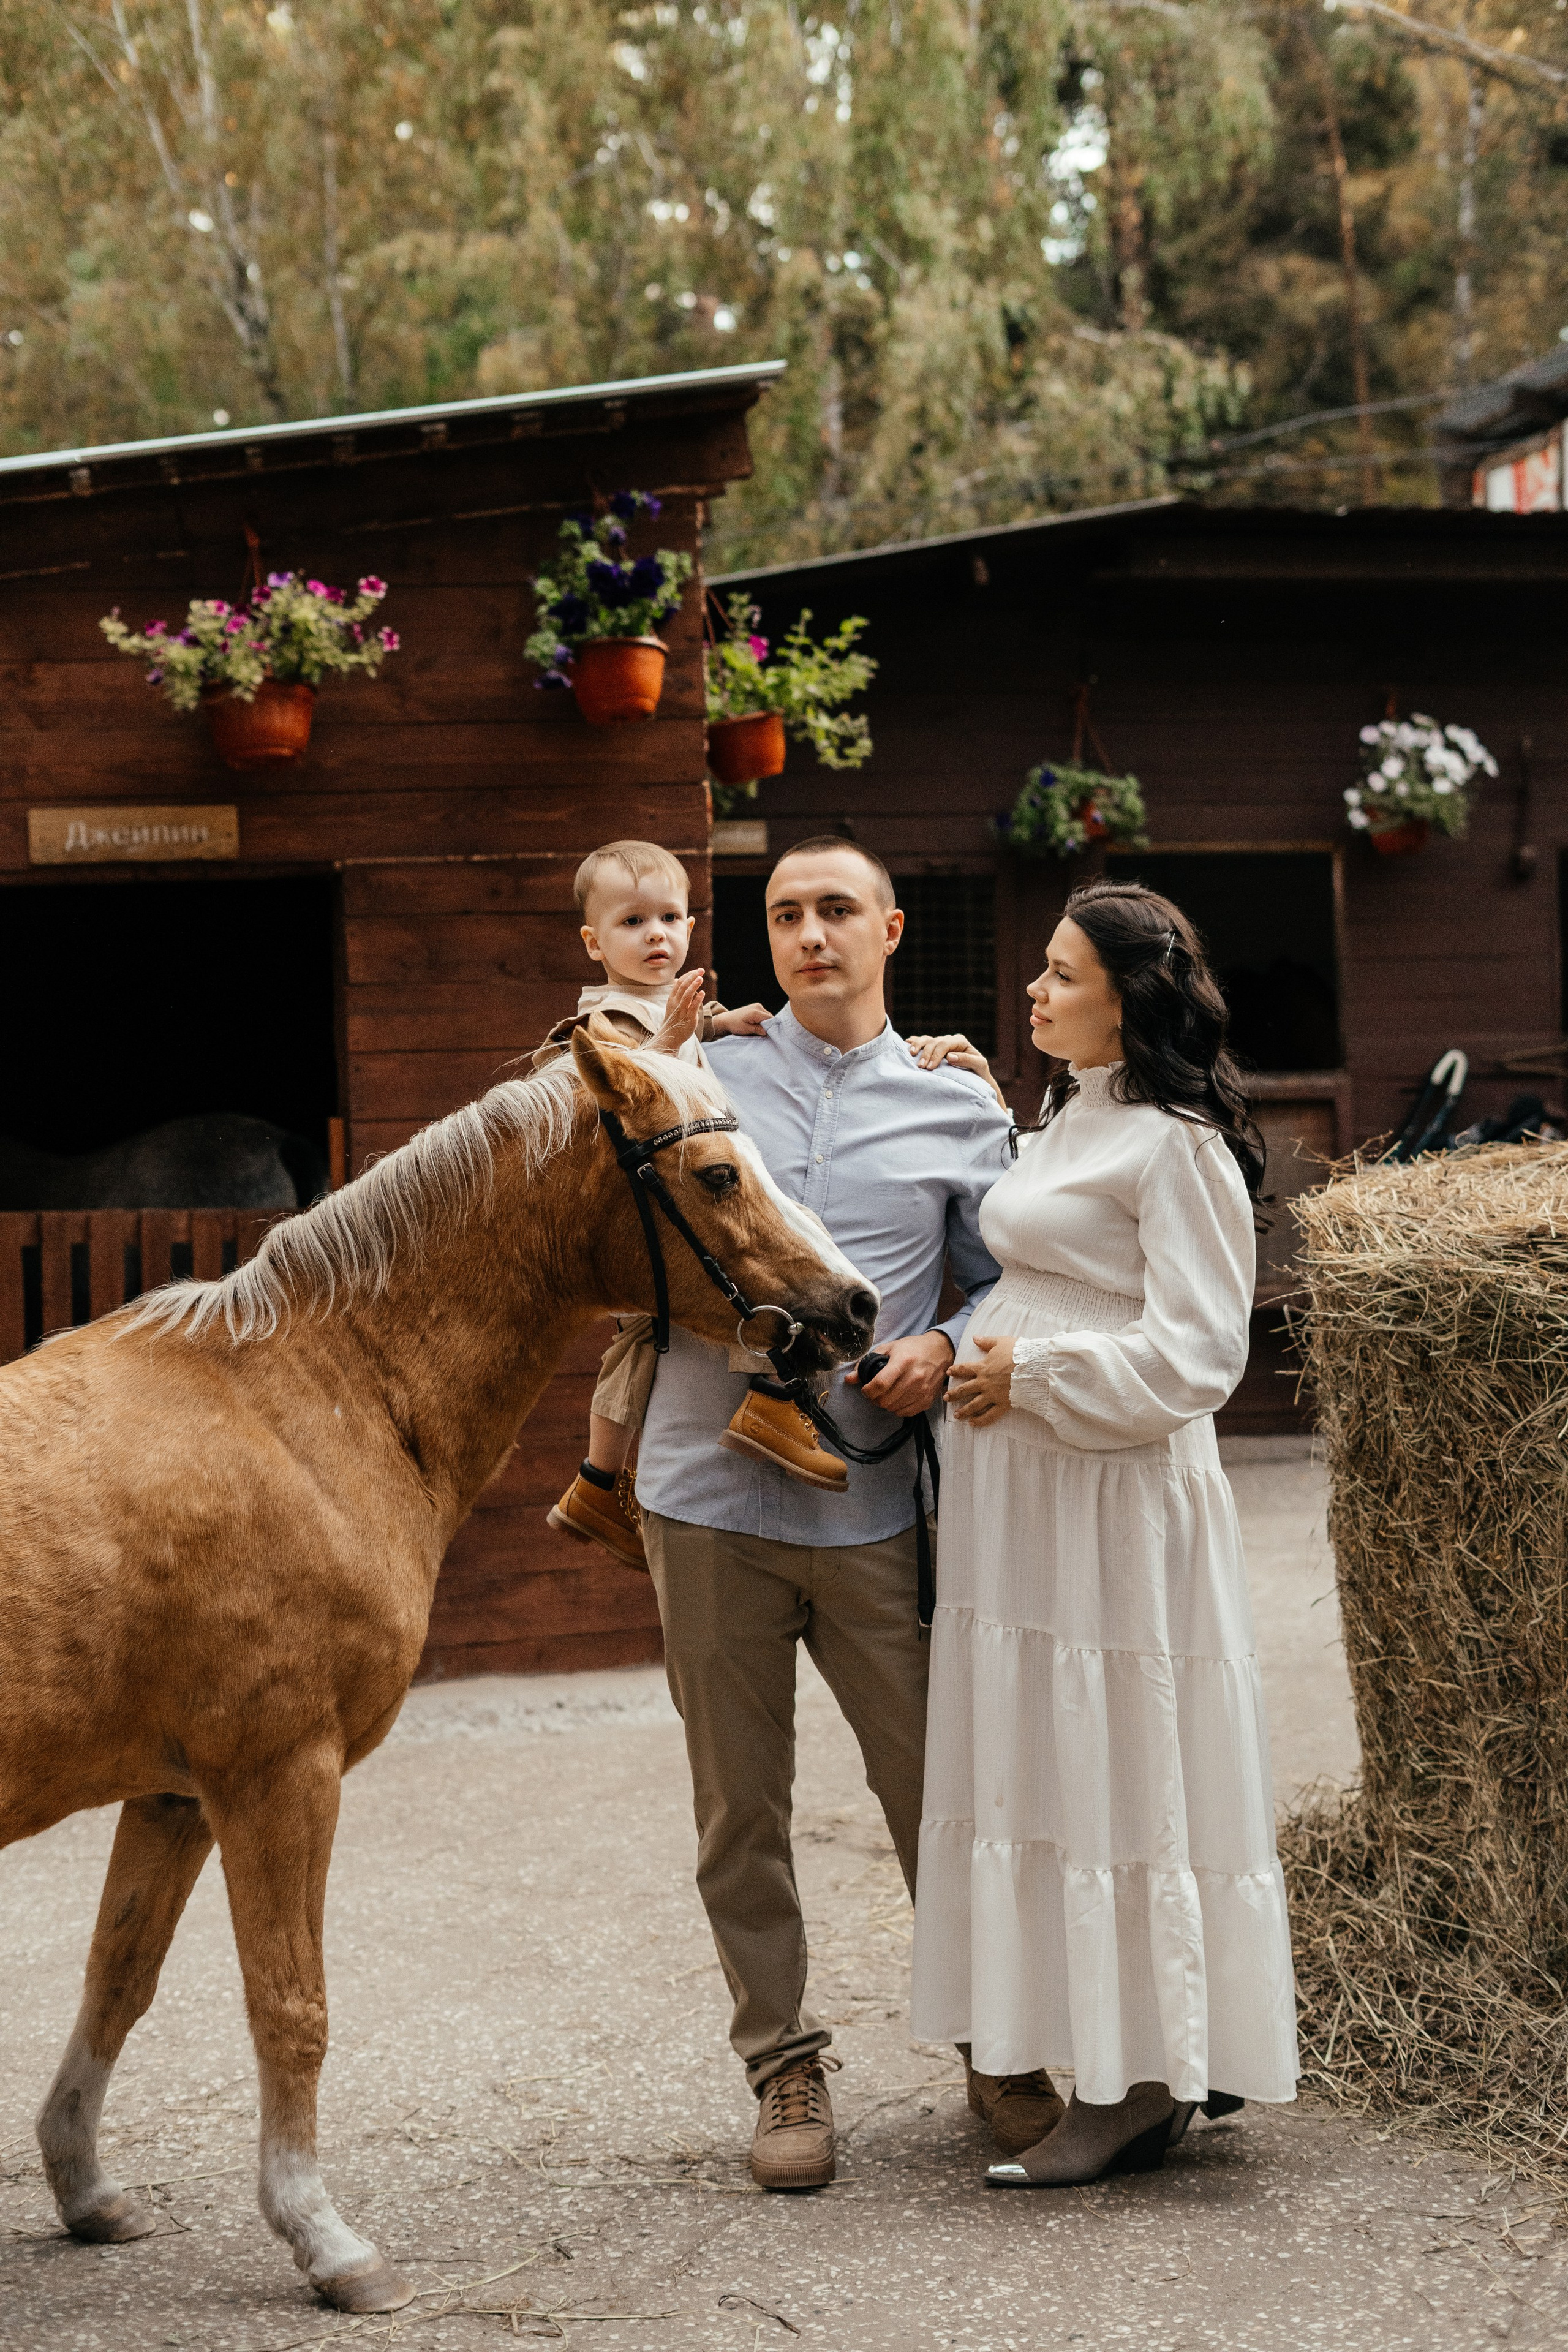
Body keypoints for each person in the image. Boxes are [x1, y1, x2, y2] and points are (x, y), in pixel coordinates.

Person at [635, 838, 1036, 2192]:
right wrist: (662, 1032)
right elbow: (571, 1129)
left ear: (889, 930)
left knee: (935, 1794)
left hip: (870, 1505)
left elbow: (1010, 1277)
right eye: (786, 914)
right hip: (701, 1491)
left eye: (835, 912)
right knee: (737, 1812)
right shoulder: (705, 1075)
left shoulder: (956, 1107)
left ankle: (995, 2043)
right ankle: (782, 2067)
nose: (809, 935)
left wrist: (947, 1343)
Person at [910, 878, 1300, 2186]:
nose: (1032, 991)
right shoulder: (1073, 1114)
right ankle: (1115, 2045)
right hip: (1027, 1511)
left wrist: (1031, 1380)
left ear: (1128, 1000)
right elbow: (1039, 1257)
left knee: (1121, 1759)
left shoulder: (1176, 1146)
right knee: (1050, 1759)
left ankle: (1140, 2082)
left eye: (1060, 974)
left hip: (1111, 1505)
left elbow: (1198, 1353)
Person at [543, 840, 816, 1570]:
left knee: (645, 1337)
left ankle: (599, 1482)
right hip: (652, 1216)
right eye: (633, 922)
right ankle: (773, 1403)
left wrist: (716, 1024)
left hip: (678, 1204)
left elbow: (687, 1031)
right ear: (593, 942)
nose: (656, 935)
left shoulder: (667, 1004)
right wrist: (670, 1039)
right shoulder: (604, 1019)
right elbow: (609, 1093)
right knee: (745, 1277)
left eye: (670, 917)